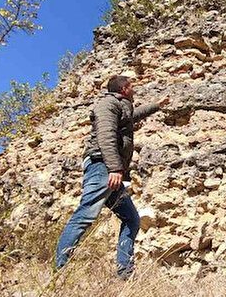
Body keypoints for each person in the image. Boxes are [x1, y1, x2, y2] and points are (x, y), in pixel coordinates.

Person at [55, 75, 167, 278]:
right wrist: (115, 169)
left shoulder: (120, 107)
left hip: (109, 169)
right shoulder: (107, 104)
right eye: (132, 86)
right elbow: (105, 135)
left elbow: (132, 116)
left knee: (132, 219)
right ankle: (59, 270)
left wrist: (156, 106)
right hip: (102, 166)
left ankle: (124, 272)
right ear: (124, 88)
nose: (135, 89)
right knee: (86, 215)